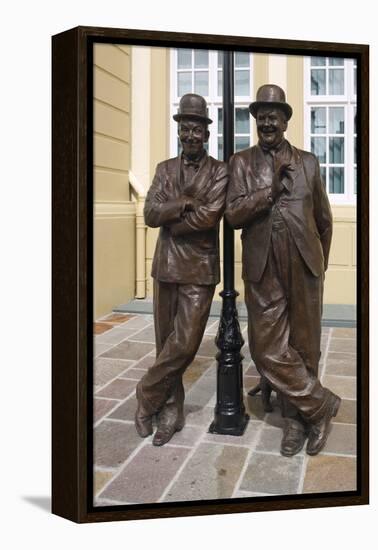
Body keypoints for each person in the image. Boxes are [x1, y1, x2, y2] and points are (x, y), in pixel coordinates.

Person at [226, 84, 341, 456]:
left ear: (286, 120)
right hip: (263, 266)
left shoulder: (308, 162)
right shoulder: (241, 162)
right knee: (265, 346)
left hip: (304, 264)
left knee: (305, 346)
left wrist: (318, 264)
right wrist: (270, 191)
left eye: (273, 114)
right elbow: (233, 216)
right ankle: (321, 404)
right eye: (260, 114)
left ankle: (296, 420)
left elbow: (324, 219)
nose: (266, 120)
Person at [135, 93, 228, 446]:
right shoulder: (163, 169)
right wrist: (183, 203)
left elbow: (209, 219)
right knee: (165, 344)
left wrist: (171, 217)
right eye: (185, 129)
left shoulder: (221, 171)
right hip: (167, 268)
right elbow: (149, 214)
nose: (190, 135)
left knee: (185, 343)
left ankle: (146, 392)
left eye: (196, 129)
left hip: (199, 269)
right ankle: (169, 409)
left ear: (207, 133)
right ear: (180, 132)